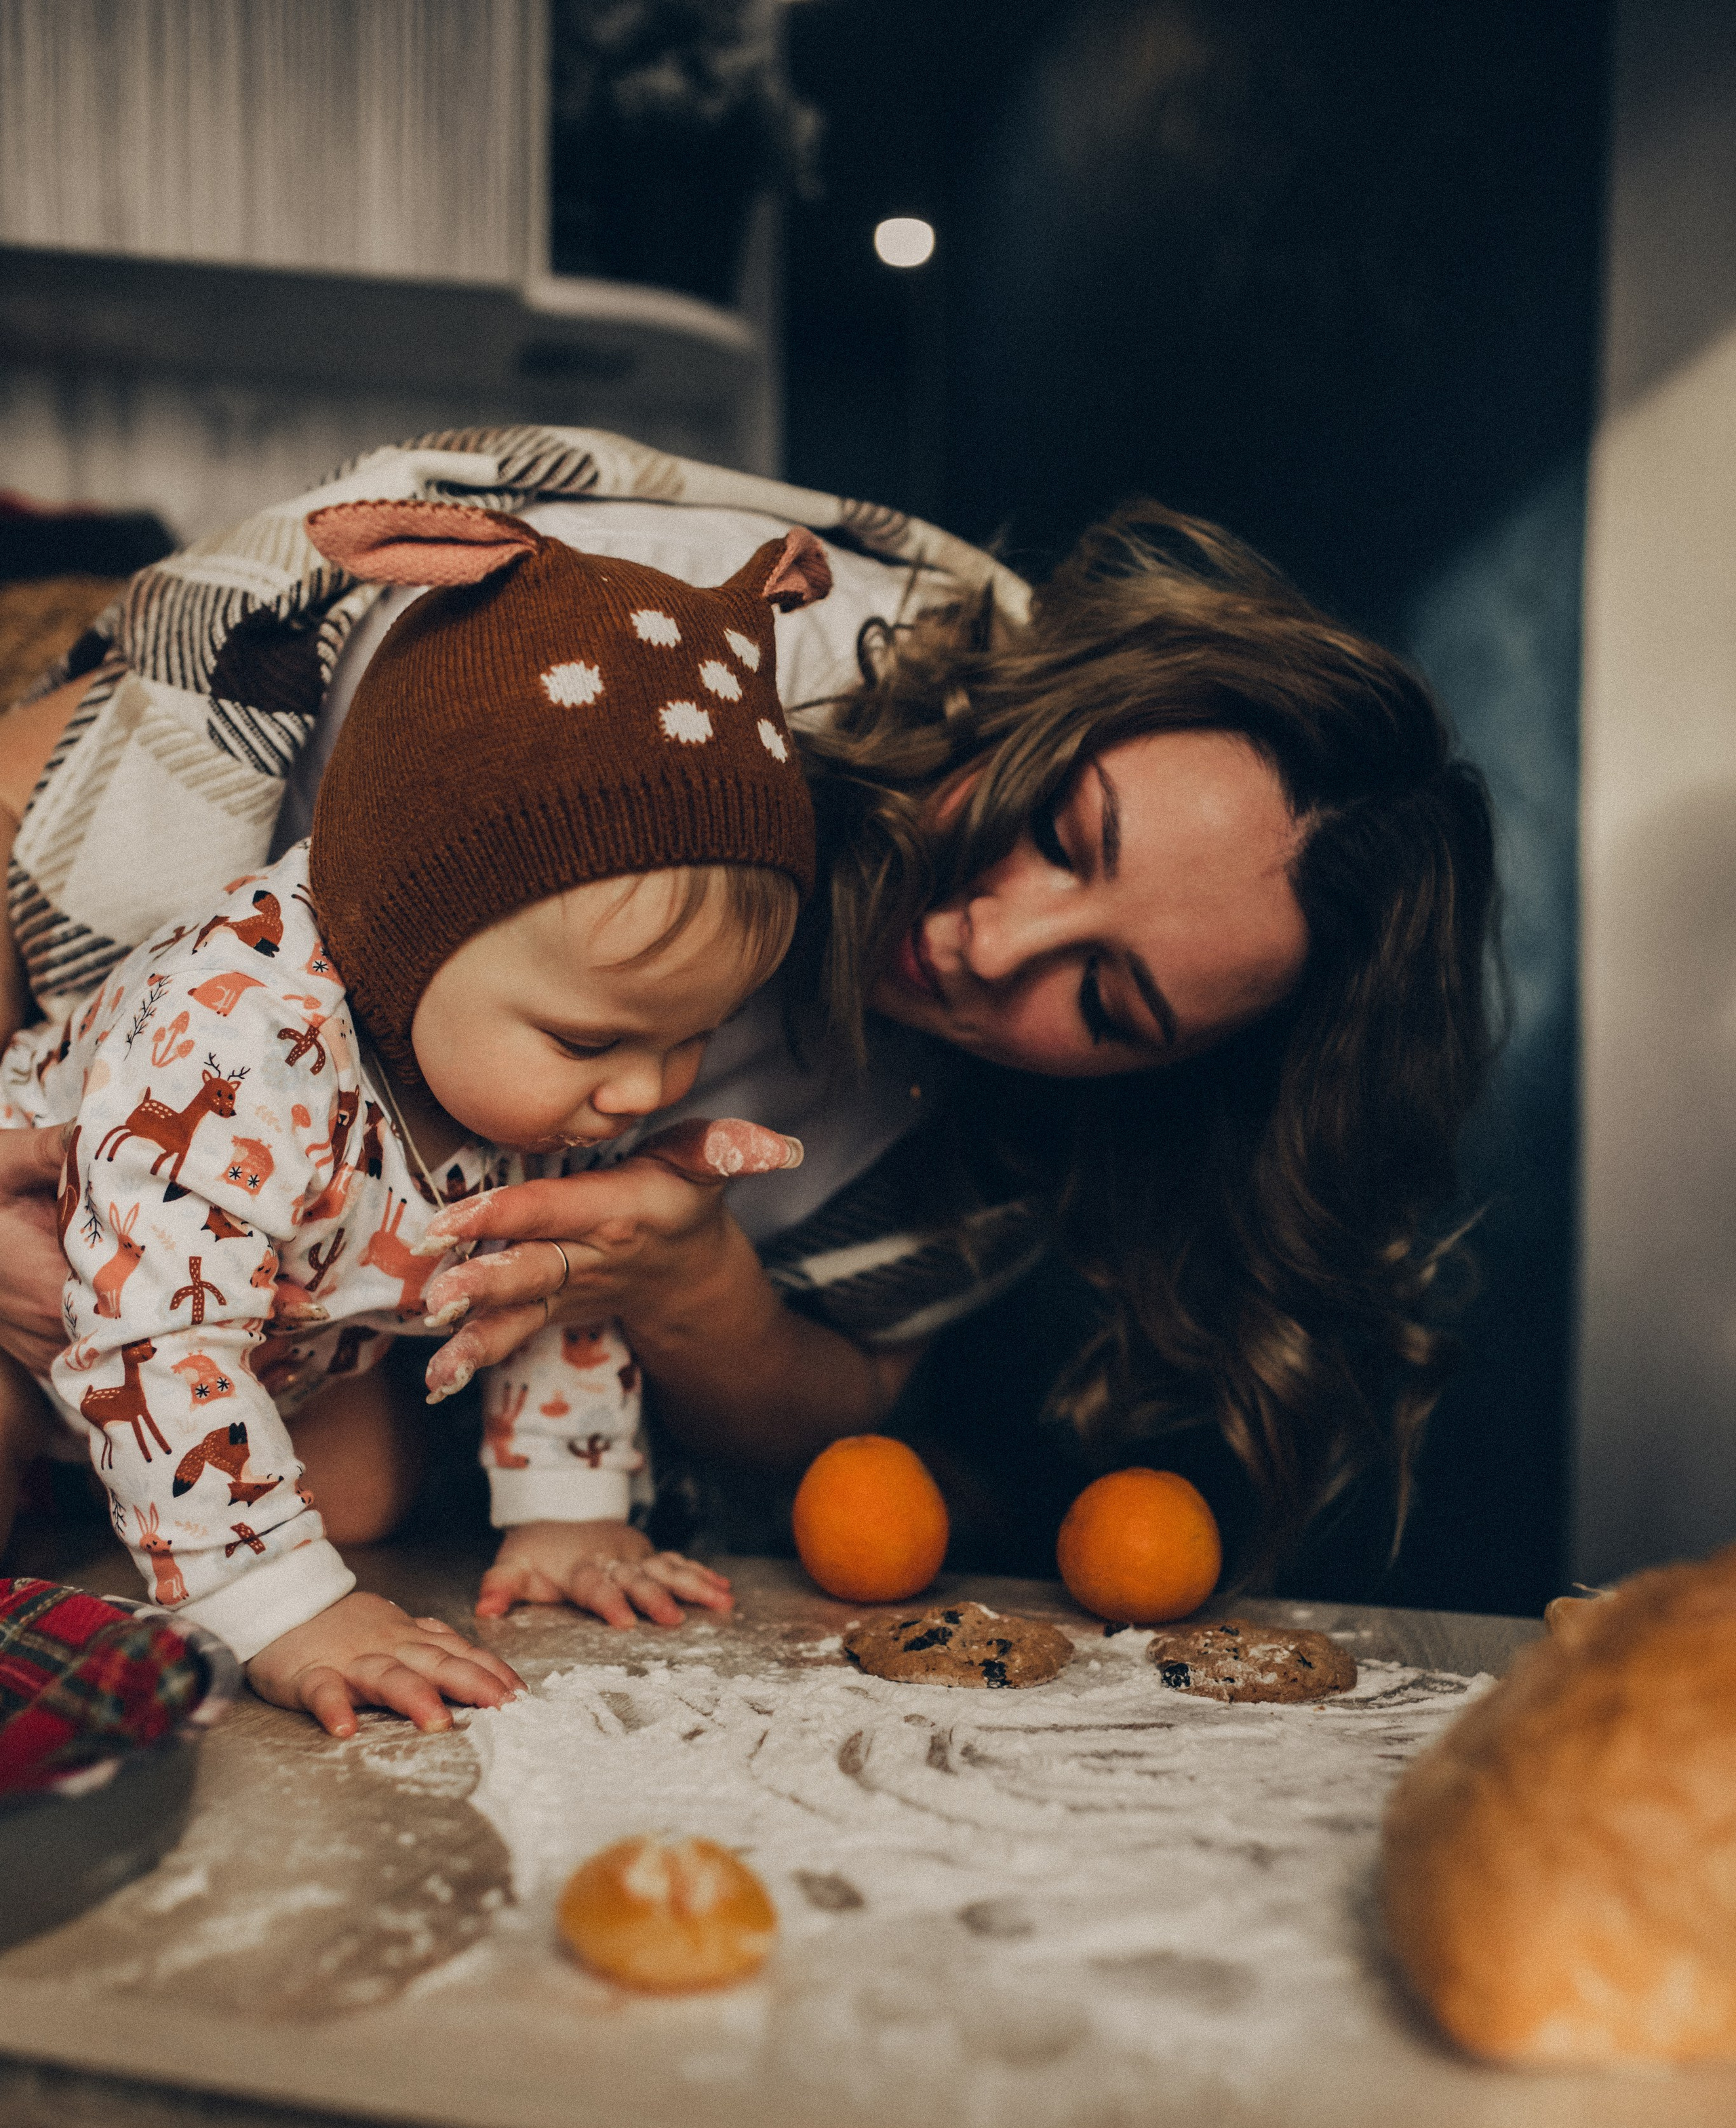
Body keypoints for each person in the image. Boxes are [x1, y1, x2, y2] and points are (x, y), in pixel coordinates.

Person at [0, 425, 1497, 1590]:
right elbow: (58, 792)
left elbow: (817, 1430)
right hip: (73, 1111)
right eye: (1060, 826)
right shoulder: (686, 657)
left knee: (373, 1487)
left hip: (302, 1340)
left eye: (1104, 1000)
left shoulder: (985, 1157)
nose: (992, 941)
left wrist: (686, 1286)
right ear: (1061, 702)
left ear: (1165, 1081)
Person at [0, 499, 833, 1733]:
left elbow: (555, 1283)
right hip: (66, 1296)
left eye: (692, 1037)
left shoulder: (566, 1043)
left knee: (369, 1493)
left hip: (277, 1344)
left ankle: (141, 1508)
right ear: (402, 928)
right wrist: (277, 1605)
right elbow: (143, 1336)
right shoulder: (235, 1033)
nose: (648, 1092)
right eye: (595, 1042)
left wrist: (569, 1514)